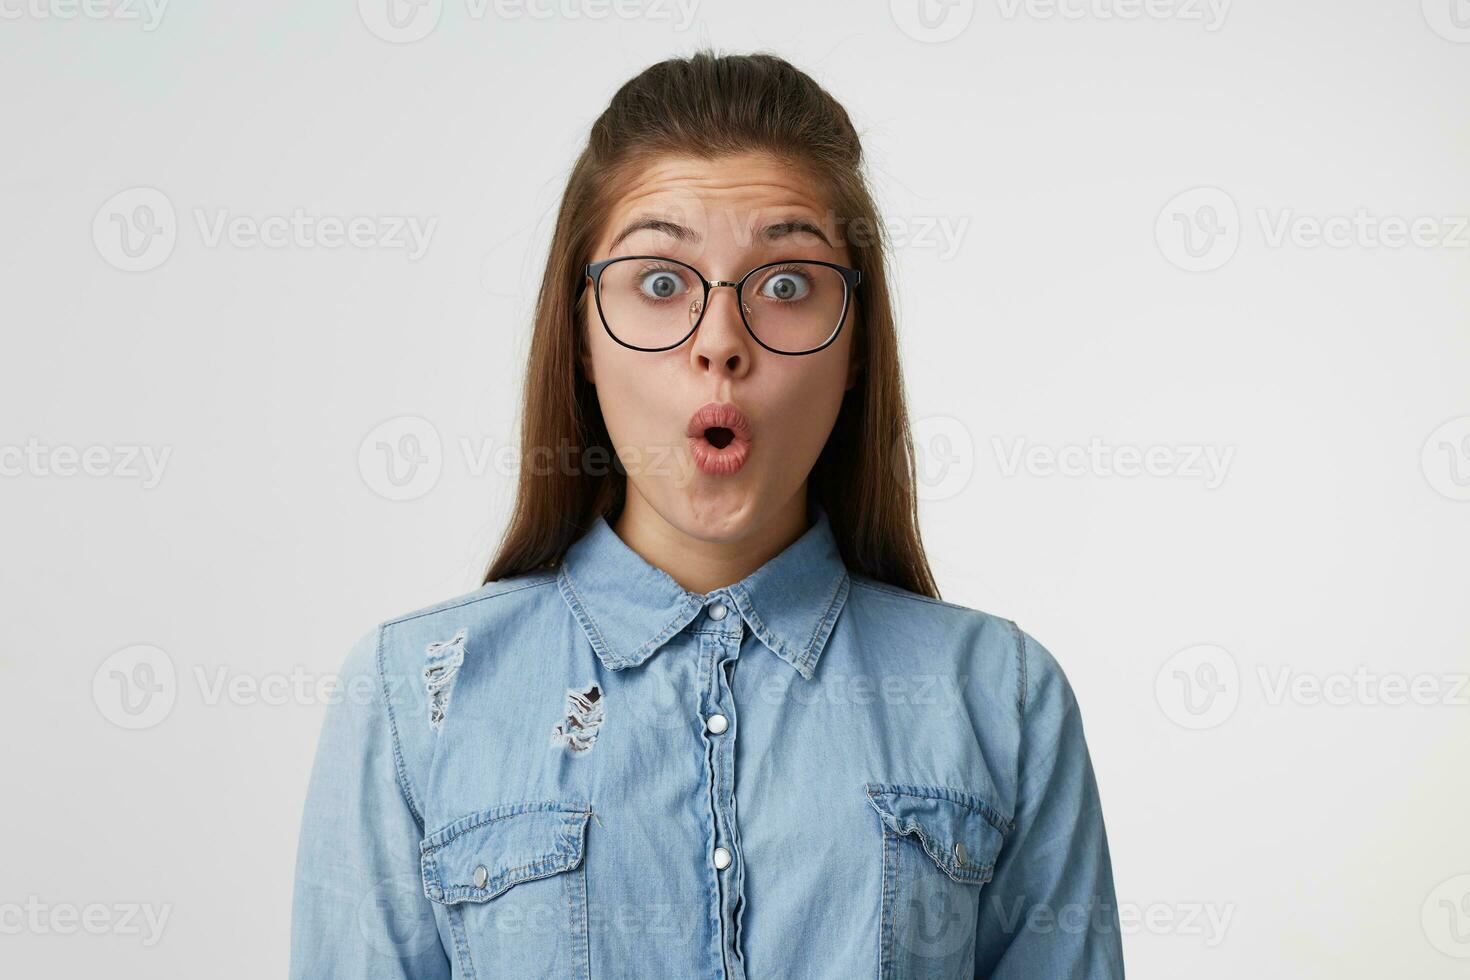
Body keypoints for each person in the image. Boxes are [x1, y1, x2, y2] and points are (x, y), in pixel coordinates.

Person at [290, 50, 1124, 979]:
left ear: (856, 344)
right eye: (660, 282)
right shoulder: (415, 699)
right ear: (579, 338)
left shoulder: (1001, 699)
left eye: (785, 284)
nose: (721, 344)